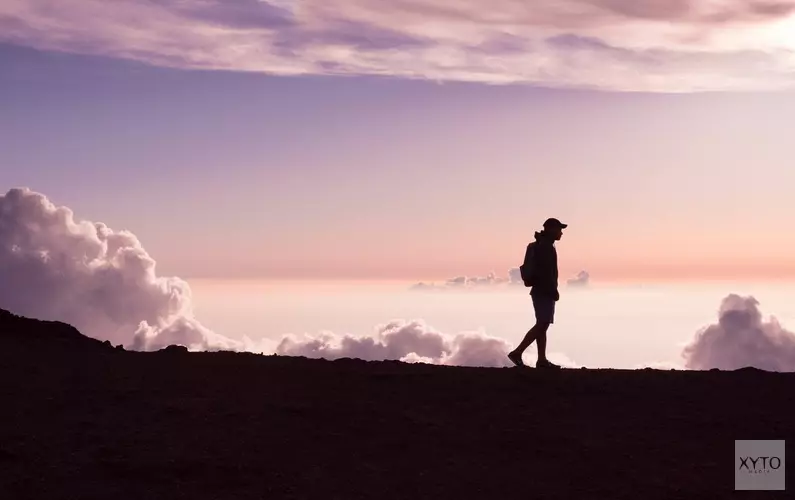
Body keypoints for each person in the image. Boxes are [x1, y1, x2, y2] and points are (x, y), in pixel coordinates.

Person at [508, 218, 567, 369]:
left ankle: (541, 360)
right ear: (551, 229)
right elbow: (546, 272)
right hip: (544, 291)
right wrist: (553, 290)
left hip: (539, 290)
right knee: (543, 323)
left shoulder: (540, 245)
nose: (561, 232)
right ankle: (517, 352)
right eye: (559, 229)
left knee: (542, 324)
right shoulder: (545, 246)